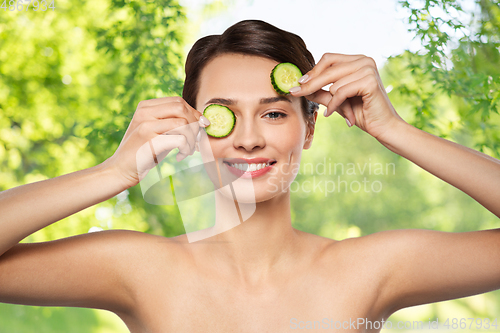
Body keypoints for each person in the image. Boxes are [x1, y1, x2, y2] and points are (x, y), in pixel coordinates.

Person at [0, 19, 499, 332]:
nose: (248, 138)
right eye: (222, 113)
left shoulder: (368, 269)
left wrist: (393, 129)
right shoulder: (139, 268)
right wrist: (113, 173)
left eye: (275, 114)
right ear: (191, 129)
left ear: (308, 130)